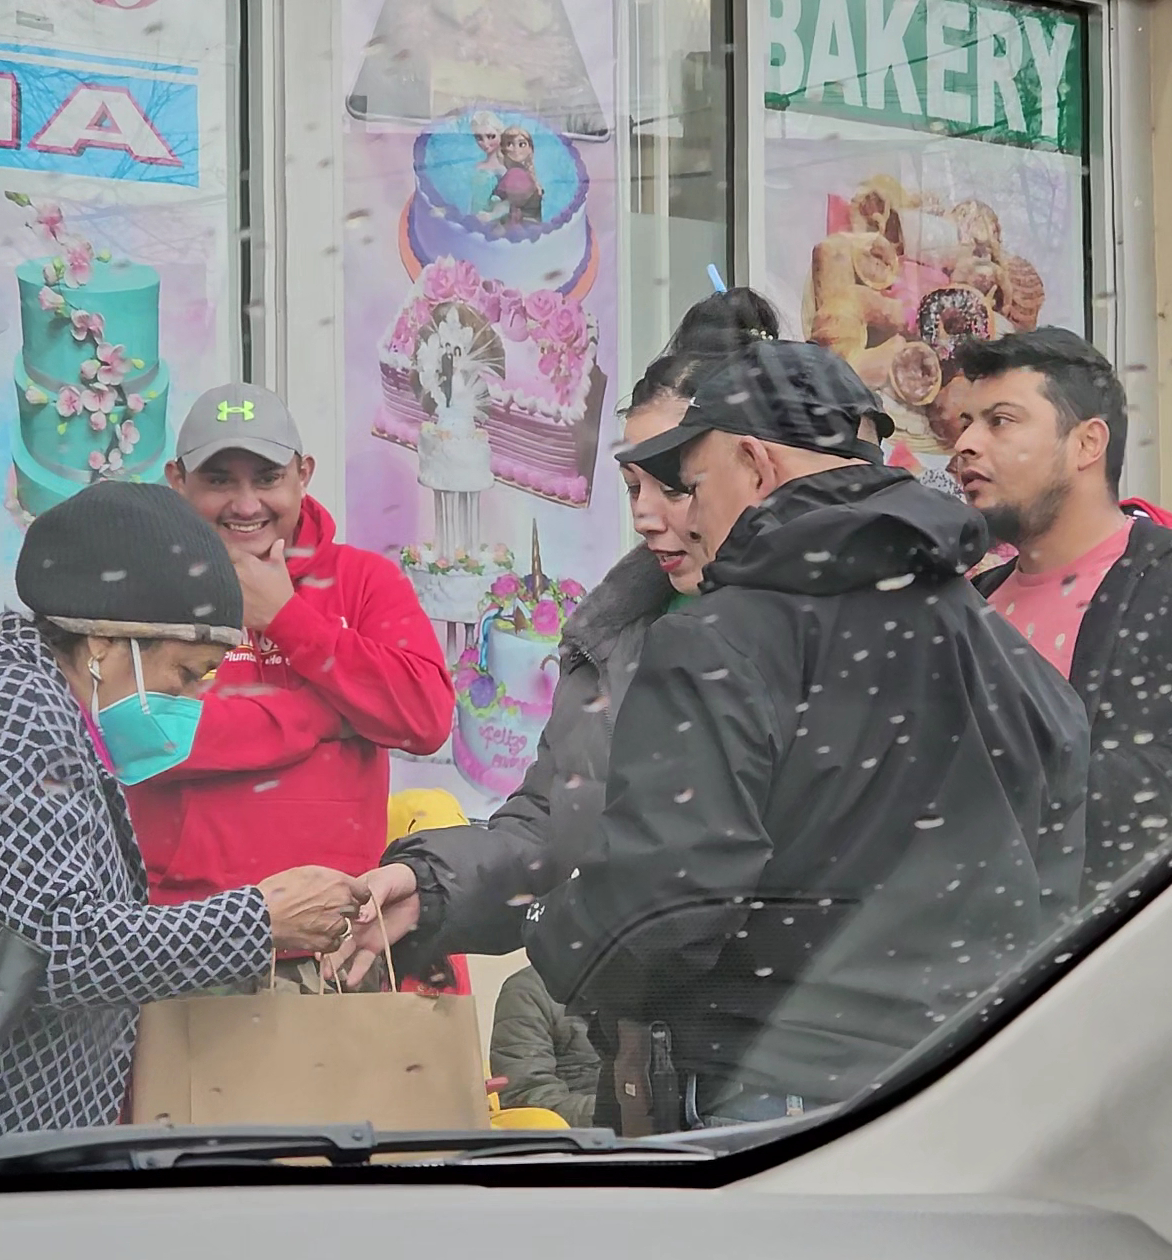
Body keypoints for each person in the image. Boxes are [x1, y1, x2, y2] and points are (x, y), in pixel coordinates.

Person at [522, 339, 1089, 1130]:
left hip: (777, 1099)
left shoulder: (717, 640)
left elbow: (665, 910)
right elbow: (1064, 820)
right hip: (973, 1089)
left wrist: (553, 930)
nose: (687, 515)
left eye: (693, 485)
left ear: (754, 465)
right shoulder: (976, 627)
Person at [337, 288, 781, 991]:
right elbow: (551, 829)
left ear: (755, 469)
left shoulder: (824, 634)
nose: (646, 516)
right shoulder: (612, 640)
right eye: (632, 486)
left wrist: (571, 929)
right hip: (643, 1068)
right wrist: (428, 886)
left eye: (672, 484)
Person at [0, 482, 367, 1135]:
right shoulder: (14, 717)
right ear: (102, 644)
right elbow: (58, 947)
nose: (192, 701)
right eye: (186, 674)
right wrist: (260, 921)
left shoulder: (58, 713)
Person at [125, 382, 459, 992]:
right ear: (177, 480)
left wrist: (286, 618)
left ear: (303, 474)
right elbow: (139, 735)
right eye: (219, 479)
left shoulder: (362, 582)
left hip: (335, 944)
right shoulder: (146, 590)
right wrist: (322, 714)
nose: (245, 502)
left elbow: (426, 716)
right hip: (180, 941)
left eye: (268, 477)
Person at [953, 328, 1172, 901]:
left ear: (1085, 444)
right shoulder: (969, 605)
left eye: (999, 421)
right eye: (965, 423)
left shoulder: (1159, 590)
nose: (966, 444)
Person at [490, 964, 600, 1126]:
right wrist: (614, 1112)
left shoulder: (643, 980)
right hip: (583, 1140)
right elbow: (526, 1096)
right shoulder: (526, 991)